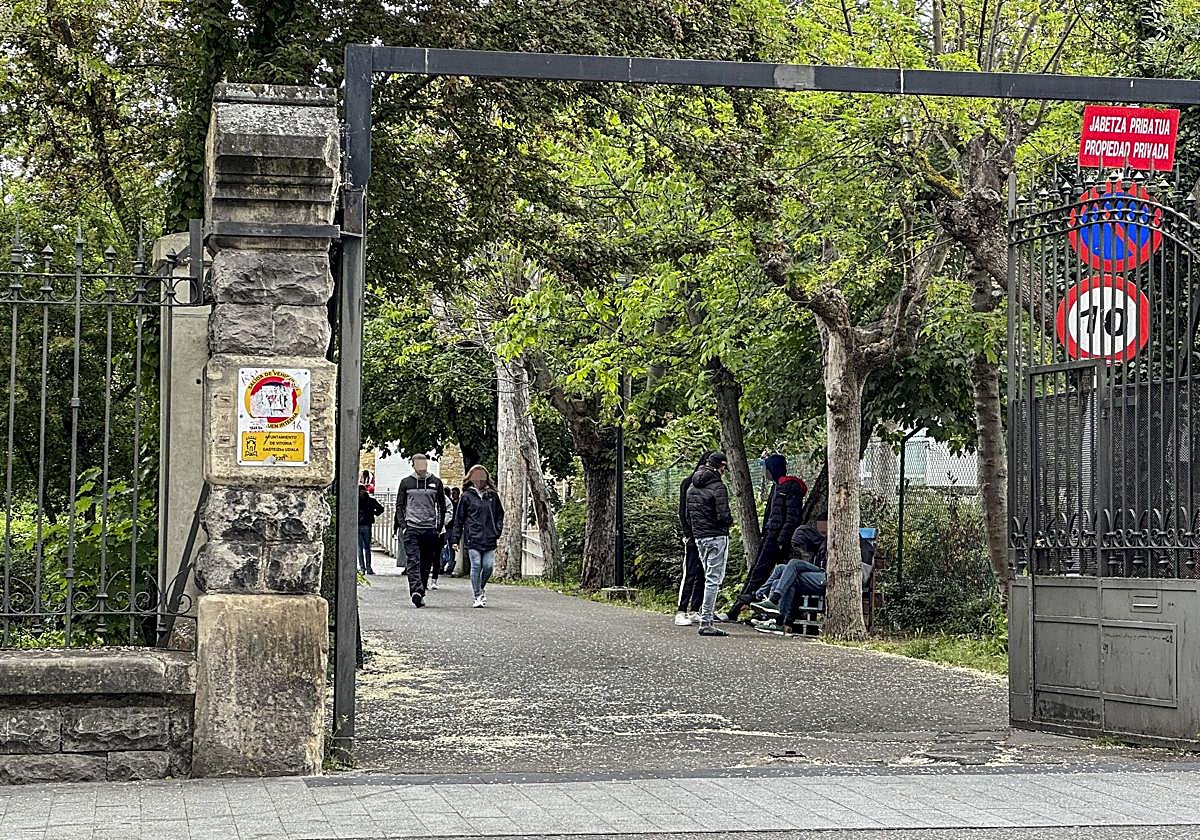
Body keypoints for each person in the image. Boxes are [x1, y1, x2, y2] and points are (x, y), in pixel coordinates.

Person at [723, 454, 806, 623]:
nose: (764, 472)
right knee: (759, 573)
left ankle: (738, 610)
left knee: (760, 574)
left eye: (766, 468)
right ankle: (751, 610)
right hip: (769, 536)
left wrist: (781, 540)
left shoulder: (789, 487)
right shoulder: (777, 486)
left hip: (776, 540)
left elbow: (792, 518)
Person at [686, 451, 734, 637]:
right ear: (720, 466)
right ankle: (706, 621)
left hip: (700, 537)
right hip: (716, 536)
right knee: (714, 580)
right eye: (724, 467)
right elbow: (724, 515)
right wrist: (729, 522)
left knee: (707, 577)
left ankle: (705, 617)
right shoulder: (718, 487)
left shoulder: (692, 485)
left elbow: (689, 515)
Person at [394, 454, 447, 607]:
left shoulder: (436, 482)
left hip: (430, 529)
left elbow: (442, 506)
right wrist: (404, 526)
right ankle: (416, 590)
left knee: (426, 562)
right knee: (413, 561)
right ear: (413, 465)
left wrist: (438, 527)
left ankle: (421, 589)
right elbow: (400, 505)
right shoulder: (406, 483)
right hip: (412, 528)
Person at [449, 465, 505, 608]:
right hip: (472, 536)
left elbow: (500, 514)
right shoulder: (466, 496)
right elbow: (459, 519)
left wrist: (497, 530)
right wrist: (455, 539)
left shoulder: (492, 495)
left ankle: (480, 586)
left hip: (489, 537)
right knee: (476, 564)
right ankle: (477, 595)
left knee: (487, 566)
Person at [674, 452, 711, 627]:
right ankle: (681, 610)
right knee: (690, 572)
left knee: (704, 574)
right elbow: (683, 512)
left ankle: (695, 609)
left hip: (708, 535)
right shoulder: (688, 483)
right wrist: (688, 534)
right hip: (693, 536)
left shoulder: (713, 486)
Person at [357, 485, 384, 575]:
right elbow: (381, 509)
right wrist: (374, 513)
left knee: (359, 548)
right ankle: (369, 568)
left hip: (357, 524)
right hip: (367, 525)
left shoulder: (355, 500)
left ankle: (362, 568)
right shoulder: (371, 500)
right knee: (367, 548)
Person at [441, 486, 462, 576]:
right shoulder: (450, 503)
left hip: (452, 528)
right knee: (444, 547)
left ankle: (449, 565)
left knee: (450, 547)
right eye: (452, 493)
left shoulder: (456, 504)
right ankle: (444, 564)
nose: (453, 495)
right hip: (448, 527)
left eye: (455, 493)